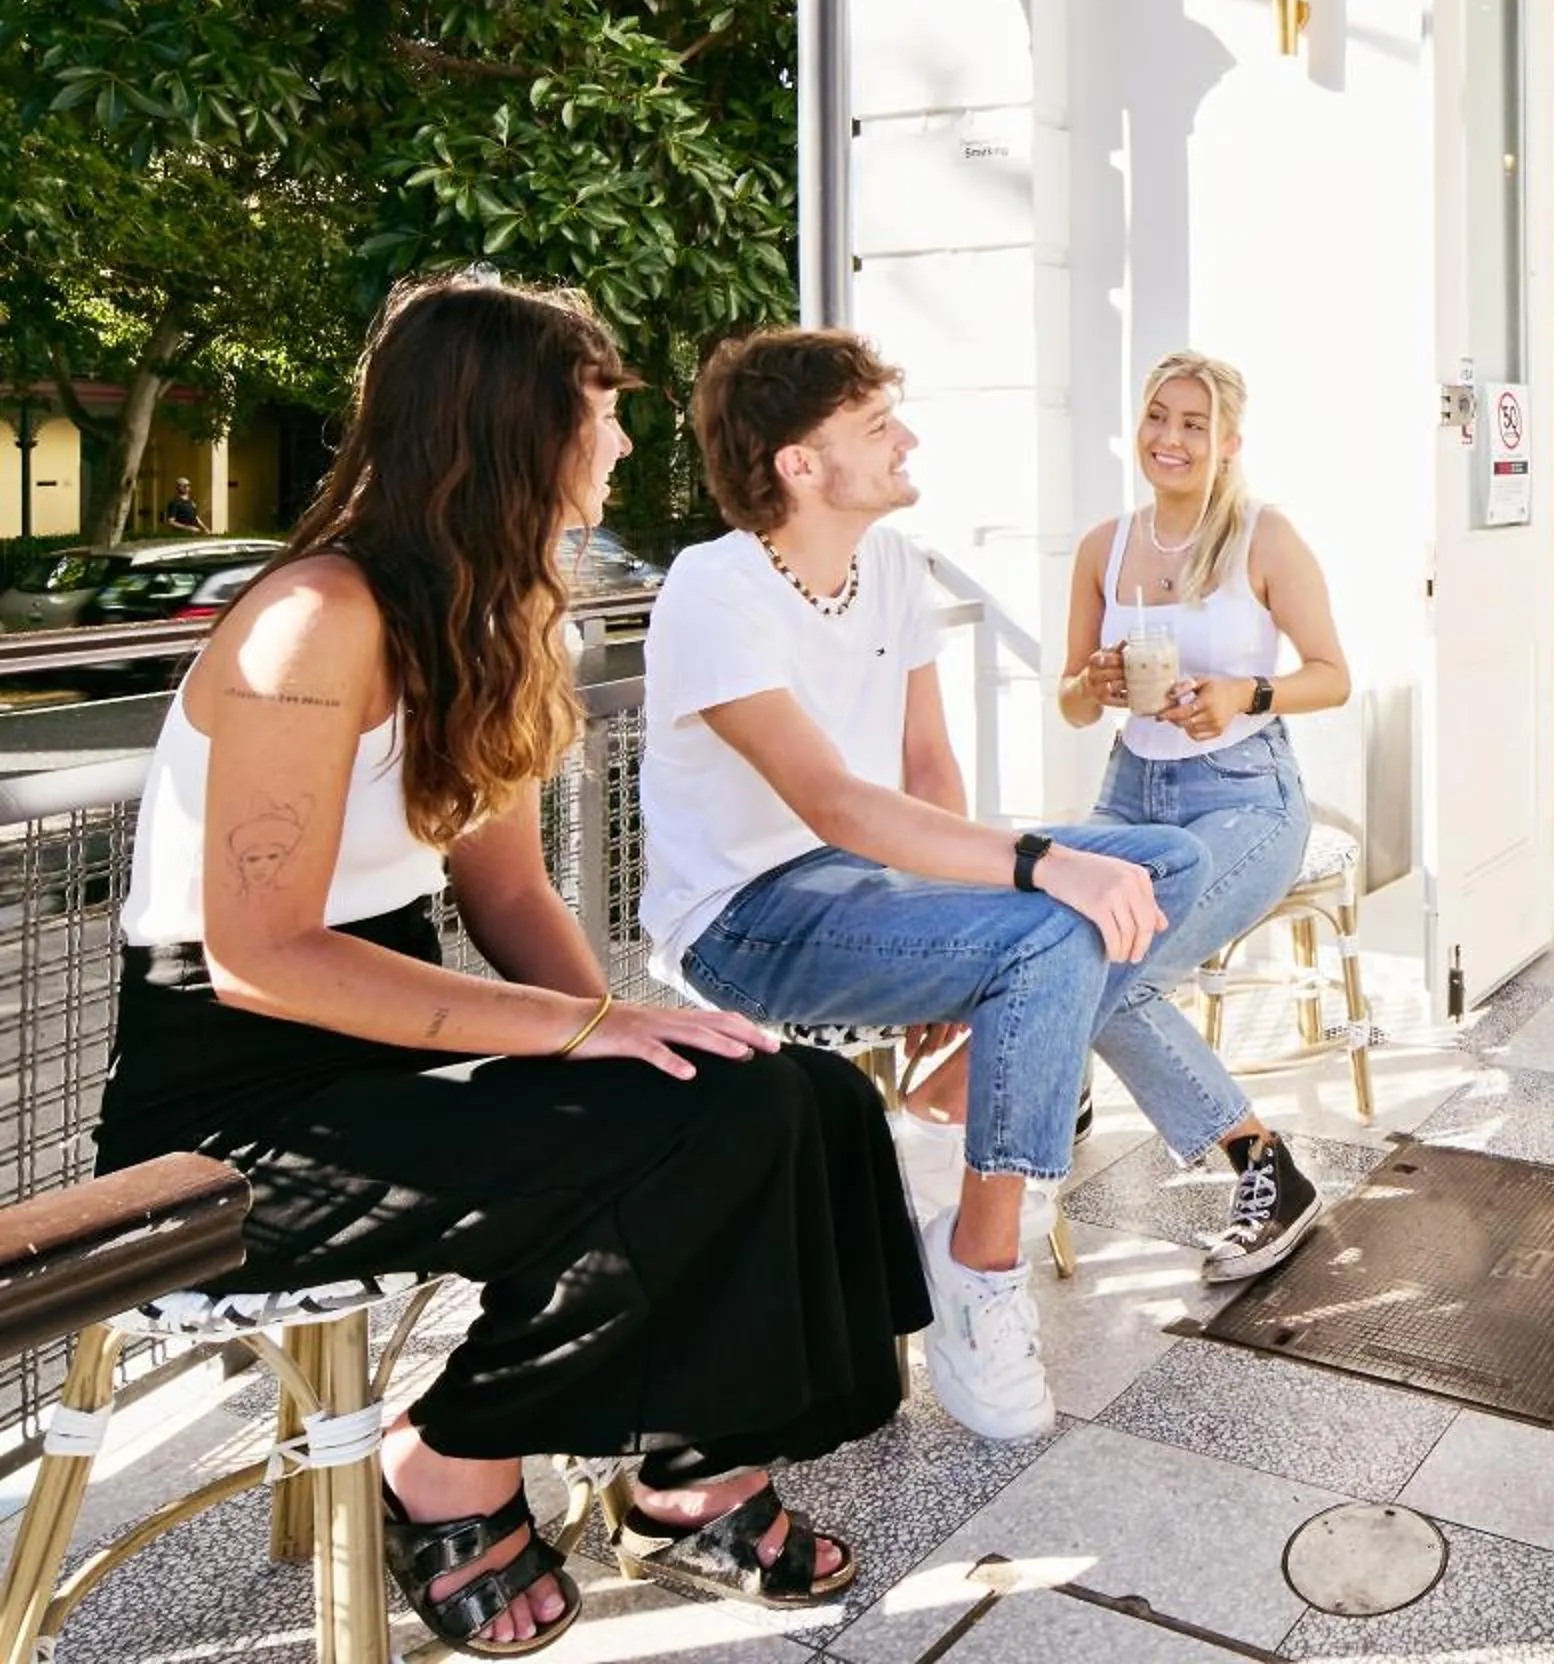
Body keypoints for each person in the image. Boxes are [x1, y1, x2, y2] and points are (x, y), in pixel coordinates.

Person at [98, 277, 912, 1656]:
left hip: (393, 1041)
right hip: (236, 1097)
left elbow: (507, 888)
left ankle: (689, 1467)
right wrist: (569, 1037)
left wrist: (617, 1020)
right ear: (511, 431)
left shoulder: (497, 617)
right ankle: (449, 1465)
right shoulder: (319, 618)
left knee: (785, 1092)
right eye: (596, 419)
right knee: (677, 1133)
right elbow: (257, 954)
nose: (616, 450)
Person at [640, 328, 1212, 1444]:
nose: (907, 440)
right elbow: (834, 806)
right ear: (799, 465)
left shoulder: (890, 568)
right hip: (746, 921)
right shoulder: (714, 591)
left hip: (866, 888)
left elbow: (927, 773)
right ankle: (979, 1264)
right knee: (1053, 928)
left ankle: (965, 1082)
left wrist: (964, 935)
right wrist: (1038, 870)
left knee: (1167, 863)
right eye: (874, 427)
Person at [1057, 350, 1352, 1283]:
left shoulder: (1265, 537)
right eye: (1157, 416)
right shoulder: (1103, 546)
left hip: (1246, 796)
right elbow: (1069, 702)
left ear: (1228, 443)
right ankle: (1066, 1091)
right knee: (1056, 940)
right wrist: (1092, 683)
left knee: (1116, 971)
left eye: (1194, 423)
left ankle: (1267, 1169)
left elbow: (1333, 676)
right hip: (1129, 791)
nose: (1171, 439)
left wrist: (1245, 694)